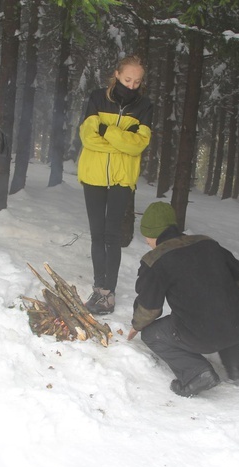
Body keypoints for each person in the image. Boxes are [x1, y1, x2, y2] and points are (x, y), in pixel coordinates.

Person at [127, 202, 239, 397]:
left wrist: (137, 325)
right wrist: (226, 297)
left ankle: (197, 373)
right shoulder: (207, 243)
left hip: (203, 332)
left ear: (153, 234)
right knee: (220, 310)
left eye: (146, 236)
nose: (146, 241)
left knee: (152, 335)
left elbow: (150, 308)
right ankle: (234, 364)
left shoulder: (155, 260)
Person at [78, 55, 153, 315]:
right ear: (117, 75)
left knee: (112, 236)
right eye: (128, 79)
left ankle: (108, 294)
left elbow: (139, 144)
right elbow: (88, 137)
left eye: (137, 81)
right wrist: (123, 141)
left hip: (122, 179)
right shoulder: (98, 98)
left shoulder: (145, 105)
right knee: (97, 234)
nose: (132, 85)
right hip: (93, 175)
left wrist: (108, 131)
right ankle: (99, 289)